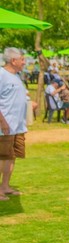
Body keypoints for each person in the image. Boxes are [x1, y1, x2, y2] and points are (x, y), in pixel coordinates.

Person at [0, 48, 28, 200]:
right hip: (4, 127)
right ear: (13, 60)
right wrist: (2, 122)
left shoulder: (17, 76)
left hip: (17, 126)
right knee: (1, 157)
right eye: (22, 59)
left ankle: (5, 186)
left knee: (11, 156)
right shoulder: (1, 75)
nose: (24, 62)